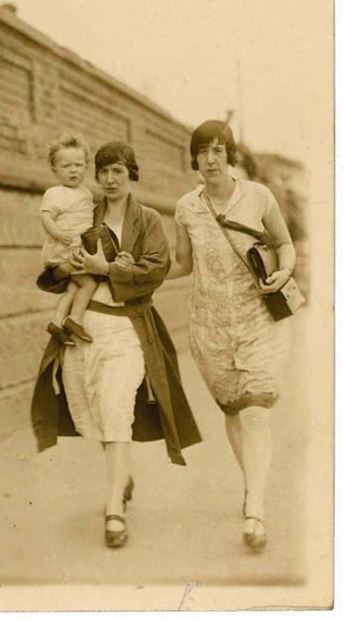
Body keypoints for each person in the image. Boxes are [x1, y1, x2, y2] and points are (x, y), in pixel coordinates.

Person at [32, 141, 201, 548]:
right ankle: (121, 476)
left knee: (115, 404)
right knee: (96, 409)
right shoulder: (82, 210)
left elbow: (157, 268)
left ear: (131, 175)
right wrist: (67, 265)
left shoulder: (148, 219)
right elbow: (52, 269)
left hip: (127, 330)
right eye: (104, 172)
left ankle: (113, 509)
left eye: (118, 172)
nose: (109, 180)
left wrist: (106, 268)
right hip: (84, 328)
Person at [169, 120, 295, 550]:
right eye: (202, 151)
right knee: (234, 411)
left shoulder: (257, 196)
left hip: (259, 318)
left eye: (218, 151)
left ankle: (255, 511)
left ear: (230, 156)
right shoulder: (185, 207)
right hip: (210, 326)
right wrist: (130, 270)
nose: (210, 159)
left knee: (257, 411)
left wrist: (283, 272)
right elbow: (182, 264)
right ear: (194, 159)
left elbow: (285, 243)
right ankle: (253, 488)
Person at [40, 133, 98, 345]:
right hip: (64, 248)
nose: (73, 170)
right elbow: (46, 216)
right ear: (55, 169)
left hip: (77, 248)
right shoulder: (55, 193)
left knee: (74, 287)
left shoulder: (85, 193)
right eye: (66, 166)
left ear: (85, 167)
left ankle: (57, 321)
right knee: (88, 284)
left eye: (78, 165)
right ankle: (74, 319)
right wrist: (57, 233)